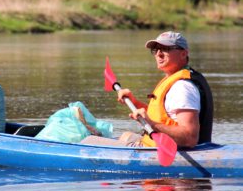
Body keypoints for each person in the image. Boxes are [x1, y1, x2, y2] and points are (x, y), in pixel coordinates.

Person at [81, 31, 213, 148]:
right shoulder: (177, 79)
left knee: (88, 142)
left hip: (169, 151)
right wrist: (135, 102)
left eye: (165, 49)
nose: (159, 54)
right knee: (126, 136)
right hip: (157, 144)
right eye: (155, 50)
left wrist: (151, 124)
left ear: (183, 53)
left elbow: (189, 138)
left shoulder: (182, 87)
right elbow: (164, 116)